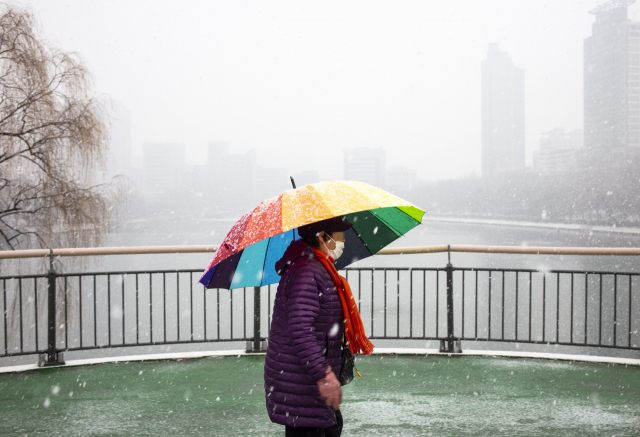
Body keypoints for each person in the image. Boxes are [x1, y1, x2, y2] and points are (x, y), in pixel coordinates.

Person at [264, 216, 373, 437]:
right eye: (339, 236)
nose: (342, 241)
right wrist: (324, 374)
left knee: (330, 425)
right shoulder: (308, 270)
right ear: (323, 237)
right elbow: (300, 329)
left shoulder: (317, 267)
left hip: (303, 379)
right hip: (301, 380)